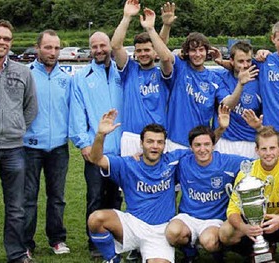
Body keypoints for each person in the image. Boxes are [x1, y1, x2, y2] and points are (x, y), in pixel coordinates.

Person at [87, 109, 189, 263]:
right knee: (96, 219)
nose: (155, 146)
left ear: (164, 145)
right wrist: (101, 135)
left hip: (160, 231)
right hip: (132, 225)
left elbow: (203, 148)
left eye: (159, 142)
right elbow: (95, 159)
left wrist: (220, 128)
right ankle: (112, 259)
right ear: (141, 143)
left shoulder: (173, 161)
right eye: (150, 141)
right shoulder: (128, 164)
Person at [0, 19, 37, 263]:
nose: (1, 42)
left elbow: (30, 107)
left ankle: (16, 254)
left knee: (16, 208)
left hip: (14, 150)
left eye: (6, 39)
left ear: (11, 43)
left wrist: (17, 128)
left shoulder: (22, 72)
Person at [219, 126, 279, 262]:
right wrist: (244, 227)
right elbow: (232, 209)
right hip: (256, 226)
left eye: (272, 148)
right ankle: (255, 253)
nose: (268, 153)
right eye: (264, 149)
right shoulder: (247, 173)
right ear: (256, 150)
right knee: (225, 232)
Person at [149, 10, 242, 151]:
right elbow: (164, 56)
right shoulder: (180, 68)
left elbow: (227, 105)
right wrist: (164, 26)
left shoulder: (215, 79)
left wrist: (241, 84)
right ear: (187, 52)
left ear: (207, 52)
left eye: (201, 50)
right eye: (193, 50)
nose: (197, 54)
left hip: (201, 145)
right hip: (175, 142)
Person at [69, 30, 124, 258]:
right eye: (94, 47)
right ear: (90, 49)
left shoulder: (123, 73)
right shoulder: (82, 77)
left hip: (121, 152)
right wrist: (84, 144)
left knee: (116, 197)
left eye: (103, 45)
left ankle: (115, 237)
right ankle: (94, 243)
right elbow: (77, 113)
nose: (99, 50)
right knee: (95, 196)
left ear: (110, 46)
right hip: (96, 149)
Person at [164, 124, 250, 263]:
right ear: (191, 147)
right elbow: (159, 161)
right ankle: (189, 253)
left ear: (213, 145)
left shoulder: (227, 162)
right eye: (197, 145)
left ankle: (218, 253)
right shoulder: (183, 162)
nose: (202, 149)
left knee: (209, 241)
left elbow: (258, 164)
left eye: (206, 144)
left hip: (214, 220)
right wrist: (139, 155)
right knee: (172, 233)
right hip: (188, 217)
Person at [22, 29, 71, 256]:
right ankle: (26, 245)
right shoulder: (26, 74)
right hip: (30, 147)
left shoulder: (65, 78)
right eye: (48, 47)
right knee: (28, 199)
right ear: (38, 47)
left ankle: (57, 239)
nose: (53, 52)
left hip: (59, 148)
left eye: (56, 48)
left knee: (57, 197)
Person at [110, 0, 175, 156]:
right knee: (129, 180)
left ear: (155, 52)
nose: (143, 54)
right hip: (131, 137)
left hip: (157, 138)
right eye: (139, 51)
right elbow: (116, 46)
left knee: (157, 179)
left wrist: (156, 28)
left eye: (147, 49)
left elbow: (166, 57)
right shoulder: (130, 70)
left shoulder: (163, 74)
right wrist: (126, 17)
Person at [212, 41, 261, 159]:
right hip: (225, 140)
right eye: (240, 61)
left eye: (248, 61)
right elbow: (226, 106)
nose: (245, 65)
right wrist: (241, 84)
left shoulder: (260, 81)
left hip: (250, 142)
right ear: (232, 61)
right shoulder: (220, 77)